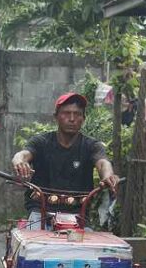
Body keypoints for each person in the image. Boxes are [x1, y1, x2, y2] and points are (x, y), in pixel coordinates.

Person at [11, 92, 120, 226]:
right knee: (33, 243)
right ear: (56, 117)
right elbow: (22, 154)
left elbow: (103, 163)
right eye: (66, 113)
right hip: (41, 212)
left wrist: (108, 176)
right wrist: (20, 161)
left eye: (77, 114)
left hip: (78, 214)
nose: (72, 118)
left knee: (90, 244)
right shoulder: (41, 142)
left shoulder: (91, 145)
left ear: (83, 118)